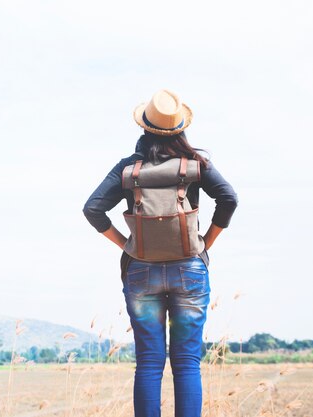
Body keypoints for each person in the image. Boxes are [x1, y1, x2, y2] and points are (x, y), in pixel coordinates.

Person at [82, 89, 238, 417]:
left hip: (141, 271)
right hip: (190, 270)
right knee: (186, 365)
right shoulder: (196, 165)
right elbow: (229, 199)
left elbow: (92, 209)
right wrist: (204, 243)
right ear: (181, 129)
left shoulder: (128, 169)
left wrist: (128, 244)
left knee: (149, 364)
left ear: (144, 129)